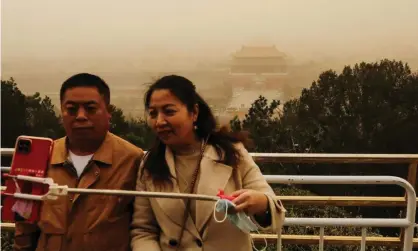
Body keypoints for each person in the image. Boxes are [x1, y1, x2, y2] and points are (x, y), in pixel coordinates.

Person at [131, 75, 285, 251]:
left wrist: (260, 203)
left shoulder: (231, 153)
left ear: (194, 112)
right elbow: (143, 231)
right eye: (153, 113)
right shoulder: (150, 165)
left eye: (169, 111)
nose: (159, 121)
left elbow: (275, 212)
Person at [14, 73, 144, 251]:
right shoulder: (41, 156)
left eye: (91, 109)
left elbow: (143, 225)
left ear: (109, 112)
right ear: (62, 112)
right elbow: (24, 221)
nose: (81, 116)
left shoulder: (132, 160)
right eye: (71, 109)